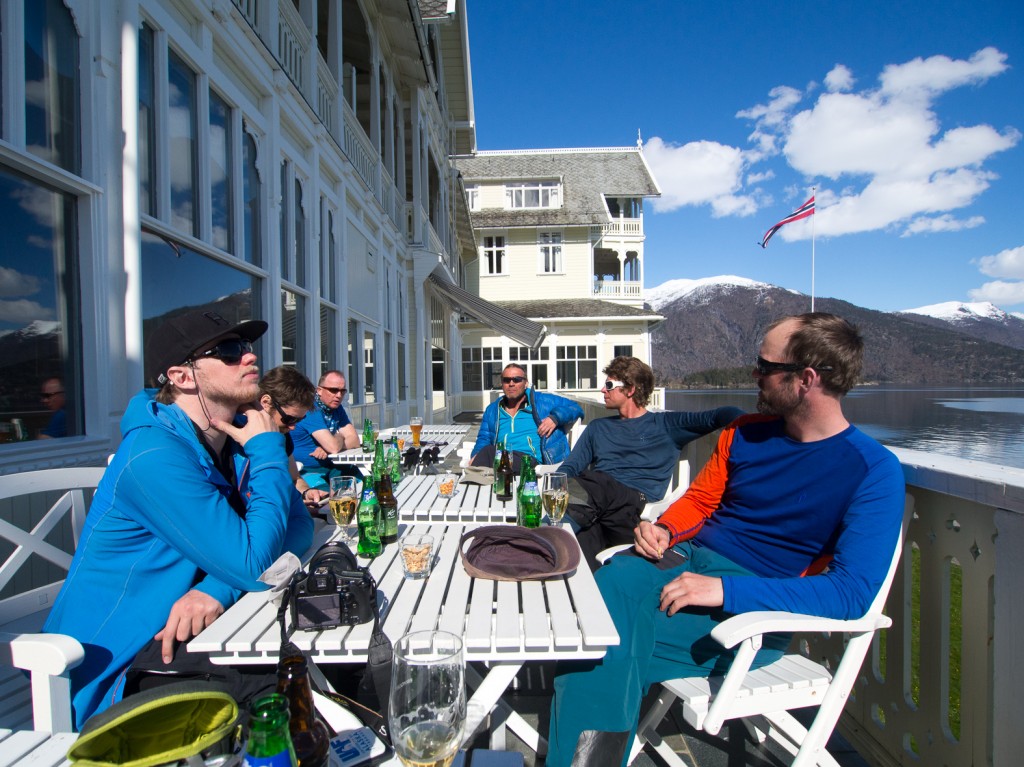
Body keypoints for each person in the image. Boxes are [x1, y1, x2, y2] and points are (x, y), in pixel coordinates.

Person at [545, 313, 906, 767]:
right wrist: (665, 528)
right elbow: (699, 500)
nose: (753, 375)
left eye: (765, 367)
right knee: (606, 594)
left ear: (806, 379)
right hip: (685, 560)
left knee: (597, 641)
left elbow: (851, 594)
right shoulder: (744, 433)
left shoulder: (872, 470)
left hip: (755, 605)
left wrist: (722, 589)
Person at [43, 309, 314, 728]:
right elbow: (254, 566)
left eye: (246, 347)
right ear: (182, 377)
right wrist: (267, 451)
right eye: (228, 351)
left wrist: (217, 587)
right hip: (121, 670)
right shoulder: (154, 456)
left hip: (203, 632)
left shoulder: (236, 438)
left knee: (317, 651)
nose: (249, 357)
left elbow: (298, 526)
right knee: (289, 693)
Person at [559, 356, 744, 569]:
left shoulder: (665, 425)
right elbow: (570, 467)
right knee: (579, 547)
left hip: (636, 509)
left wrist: (750, 429)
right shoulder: (597, 428)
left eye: (609, 385)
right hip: (598, 508)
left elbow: (719, 416)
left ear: (630, 390)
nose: (603, 390)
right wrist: (551, 485)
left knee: (600, 482)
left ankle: (548, 529)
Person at [470, 363, 584, 469]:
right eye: (506, 380)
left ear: (526, 383)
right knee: (487, 457)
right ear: (502, 384)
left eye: (517, 379)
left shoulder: (543, 401)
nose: (511, 383)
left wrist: (555, 418)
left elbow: (576, 408)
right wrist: (476, 456)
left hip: (531, 463)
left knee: (489, 453)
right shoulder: (492, 410)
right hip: (501, 464)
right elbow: (484, 439)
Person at [256, 365, 328, 510]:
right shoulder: (237, 442)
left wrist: (306, 492)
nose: (293, 427)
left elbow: (295, 479)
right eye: (289, 419)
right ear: (265, 402)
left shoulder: (283, 435)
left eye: (298, 421)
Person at [289, 369, 361, 490]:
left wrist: (328, 448)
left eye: (342, 391)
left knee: (367, 484)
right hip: (307, 470)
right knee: (329, 500)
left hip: (332, 467)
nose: (338, 395)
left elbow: (355, 441)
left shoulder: (337, 408)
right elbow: (333, 447)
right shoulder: (311, 408)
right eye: (333, 390)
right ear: (319, 391)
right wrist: (339, 436)